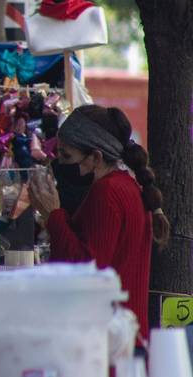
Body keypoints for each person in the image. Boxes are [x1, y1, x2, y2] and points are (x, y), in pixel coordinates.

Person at [29, 105, 170, 343]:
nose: (60, 164)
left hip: (111, 342)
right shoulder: (124, 186)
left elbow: (86, 269)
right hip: (121, 336)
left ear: (95, 157)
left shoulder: (107, 192)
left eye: (67, 157)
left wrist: (53, 214)